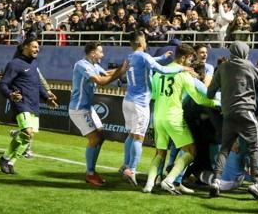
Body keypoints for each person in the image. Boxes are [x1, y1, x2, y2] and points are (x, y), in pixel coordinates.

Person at [143, 44, 219, 194]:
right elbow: (198, 99)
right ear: (183, 57)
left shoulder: (159, 73)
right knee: (190, 151)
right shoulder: (184, 74)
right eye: (190, 58)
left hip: (158, 117)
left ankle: (149, 185)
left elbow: (153, 95)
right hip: (174, 118)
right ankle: (169, 181)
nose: (191, 62)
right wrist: (215, 103)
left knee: (160, 153)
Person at [121, 31, 191, 186]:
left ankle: (125, 166)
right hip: (140, 103)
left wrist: (161, 57)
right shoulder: (143, 56)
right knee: (138, 138)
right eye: (145, 40)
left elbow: (147, 61)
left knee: (131, 136)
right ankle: (131, 170)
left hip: (128, 101)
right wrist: (181, 69)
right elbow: (163, 70)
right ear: (140, 42)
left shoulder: (131, 56)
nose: (146, 42)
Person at [207, 41, 258, 200]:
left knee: (224, 148)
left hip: (228, 113)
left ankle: (216, 180)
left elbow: (209, 93)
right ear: (245, 52)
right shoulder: (248, 64)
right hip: (246, 112)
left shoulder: (223, 67)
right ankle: (255, 182)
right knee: (254, 147)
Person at [68, 41, 128, 186]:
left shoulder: (94, 65)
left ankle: (92, 171)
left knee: (100, 137)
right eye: (100, 52)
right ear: (93, 52)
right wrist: (120, 71)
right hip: (78, 109)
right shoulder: (82, 65)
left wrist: (125, 68)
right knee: (94, 138)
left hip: (88, 108)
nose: (102, 54)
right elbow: (101, 80)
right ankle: (90, 174)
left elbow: (106, 73)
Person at [0, 37, 58, 174]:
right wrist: (10, 94)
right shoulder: (14, 64)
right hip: (21, 103)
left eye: (38, 47)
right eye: (34, 47)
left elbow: (37, 85)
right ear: (25, 47)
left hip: (34, 104)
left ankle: (11, 163)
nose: (37, 49)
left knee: (28, 137)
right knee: (27, 132)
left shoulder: (34, 65)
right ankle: (4, 158)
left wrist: (47, 98)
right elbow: (3, 84)